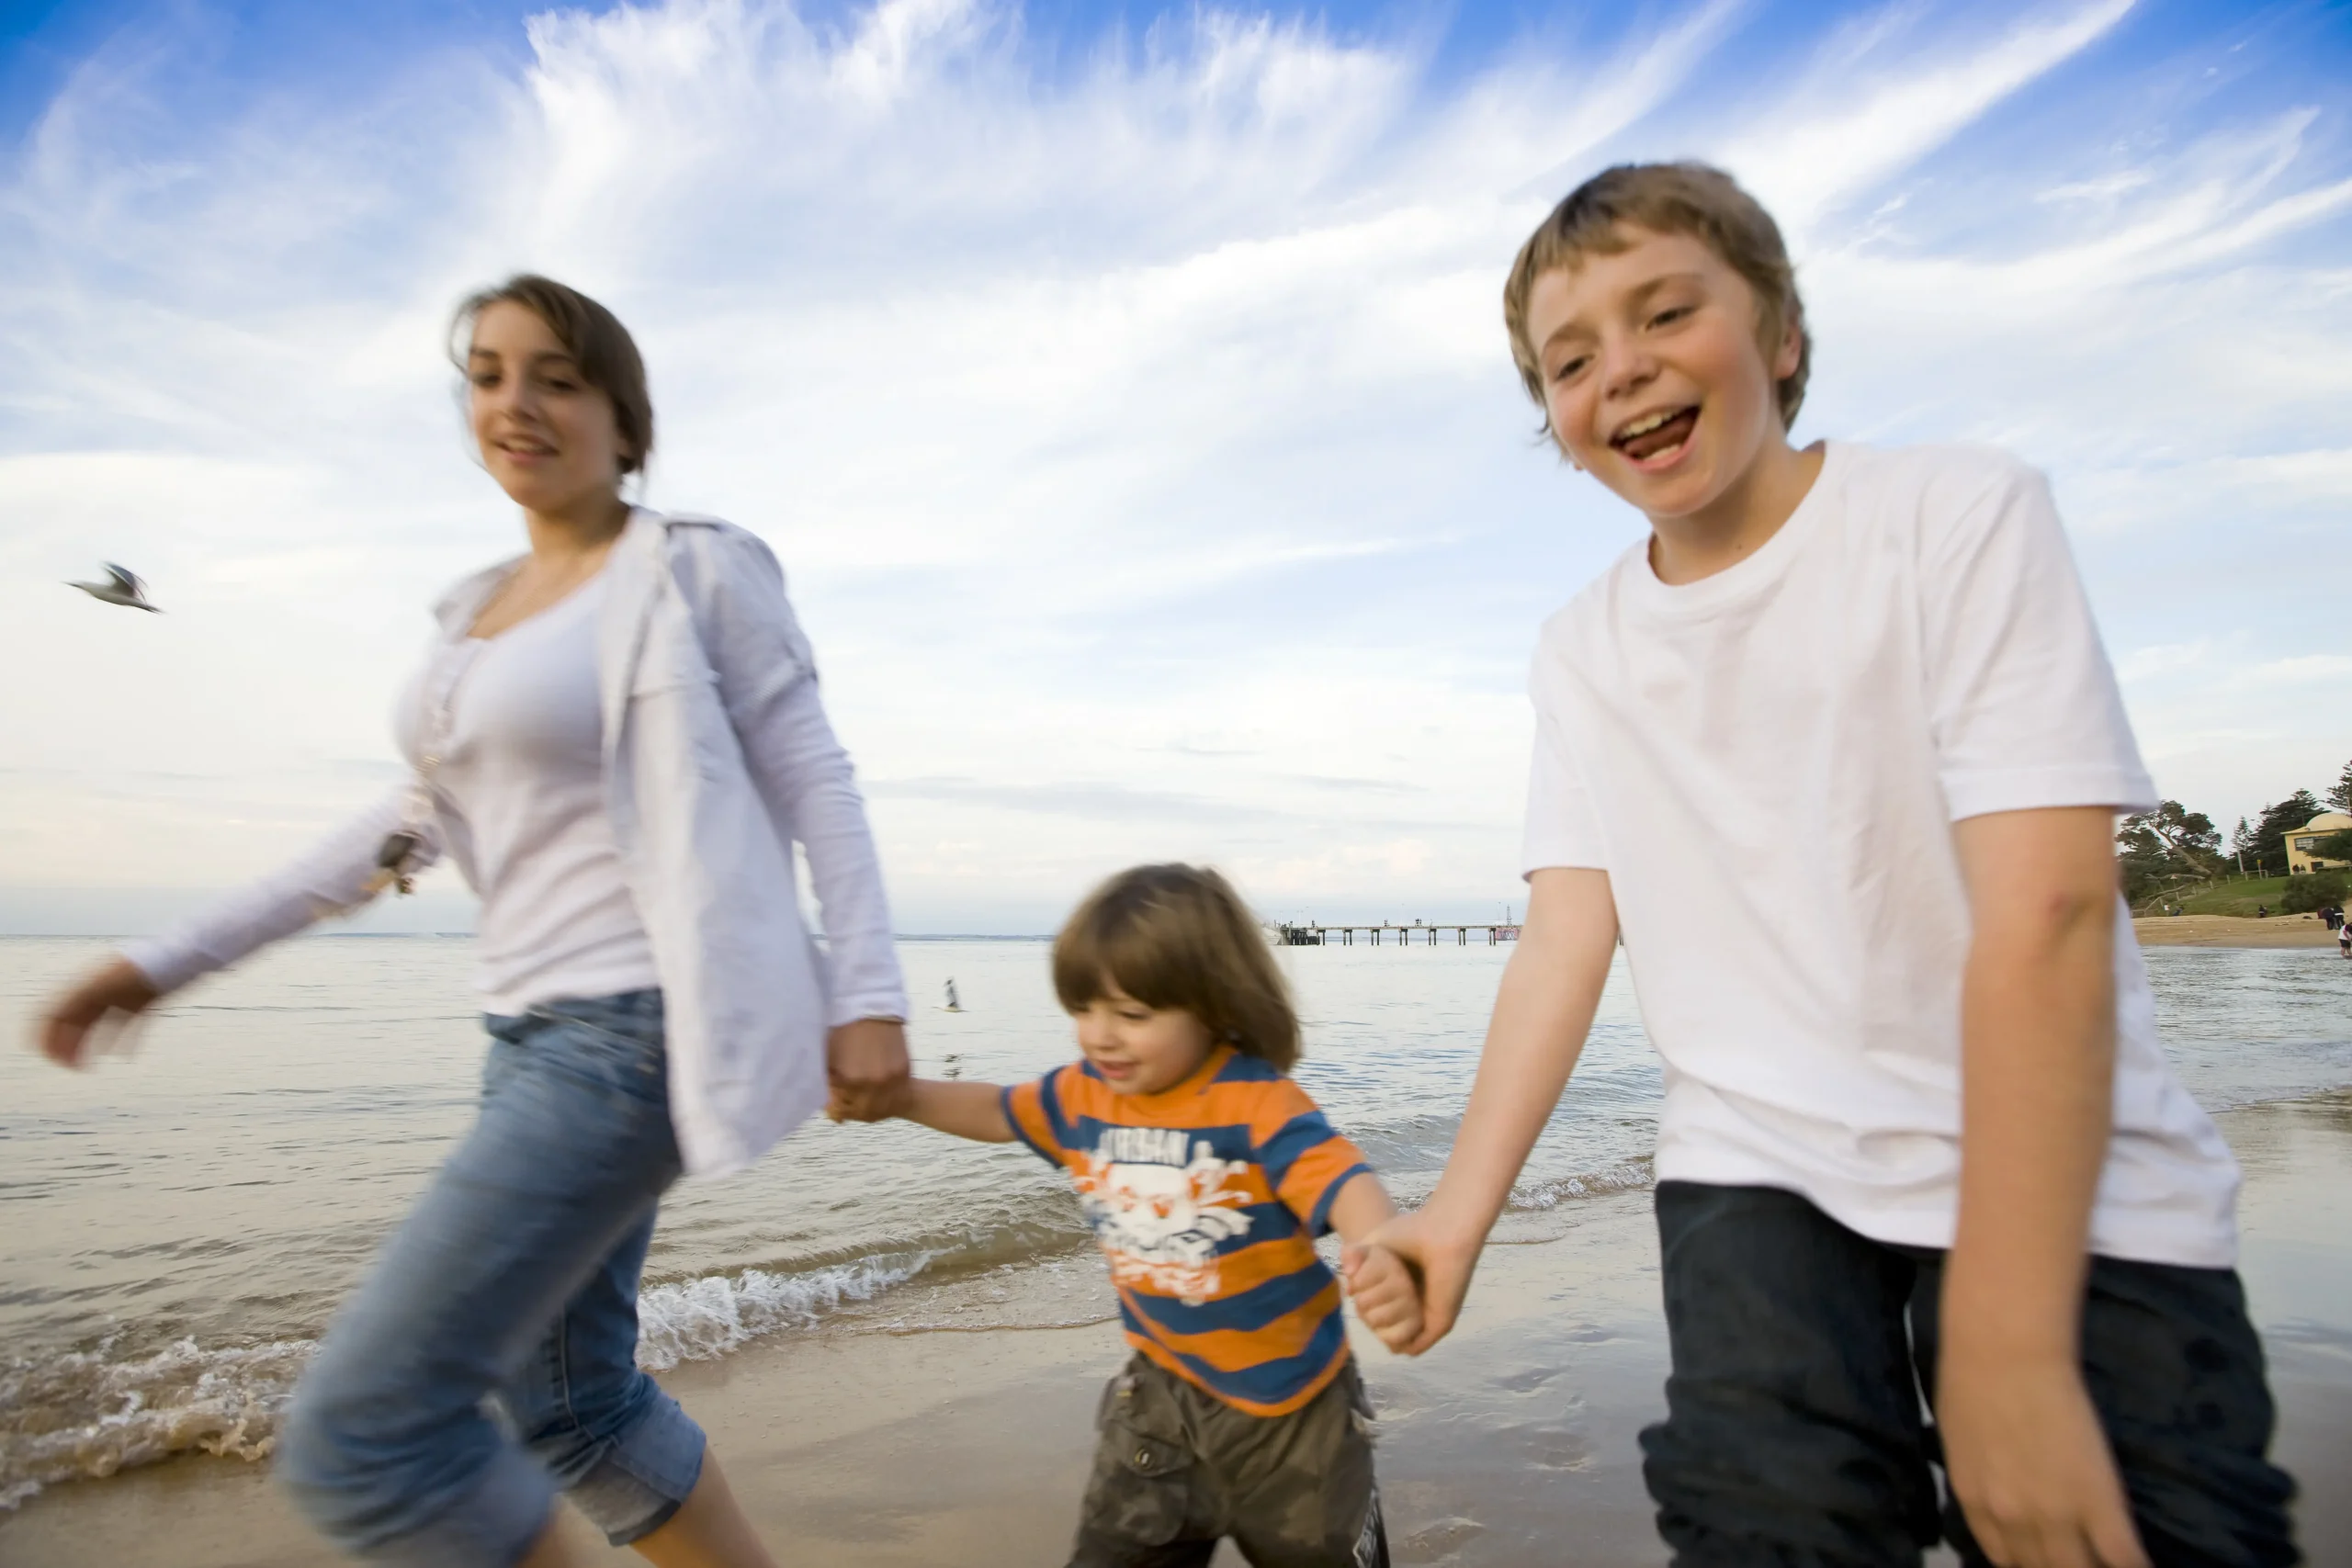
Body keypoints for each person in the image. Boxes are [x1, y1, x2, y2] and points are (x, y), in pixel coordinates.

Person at [1368, 164, 2295, 1568]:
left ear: (1782, 332)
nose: (1622, 369)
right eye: (1570, 360)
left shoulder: (1956, 515)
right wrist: (1455, 1212)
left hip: (2063, 1154)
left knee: (2137, 1521)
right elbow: (1566, 934)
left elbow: (2046, 910)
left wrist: (2008, 1340)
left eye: (1665, 311)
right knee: (1771, 1525)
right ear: (1557, 428)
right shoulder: (1582, 648)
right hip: (1759, 1169)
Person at [32, 275, 911, 1568]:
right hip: (526, 1039)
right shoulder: (474, 618)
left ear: (625, 417)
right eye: (489, 374)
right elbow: (389, 835)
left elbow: (813, 774)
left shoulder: (690, 569)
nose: (516, 400)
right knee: (567, 1400)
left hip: (635, 1031)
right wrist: (167, 959)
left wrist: (870, 996)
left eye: (556, 375)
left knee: (363, 1431)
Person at [837, 863, 1419, 1567]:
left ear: (1211, 1003)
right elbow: (998, 1108)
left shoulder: (1256, 1102)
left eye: (1133, 1014)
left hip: (1298, 1425)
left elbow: (1343, 1179)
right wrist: (899, 1096)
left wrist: (1382, 1244)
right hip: (1158, 1410)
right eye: (1084, 1009)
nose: (1100, 1035)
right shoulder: (1082, 1097)